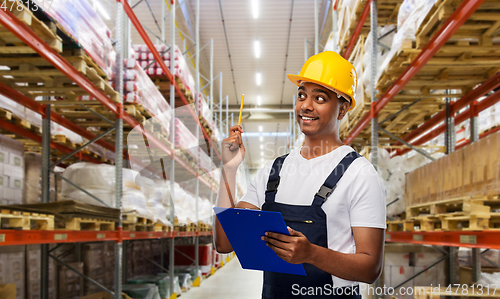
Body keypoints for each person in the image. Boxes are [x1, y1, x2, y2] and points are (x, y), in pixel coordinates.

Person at [214, 51, 386, 299]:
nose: (306, 105)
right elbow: (224, 243)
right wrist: (228, 170)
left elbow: (371, 268)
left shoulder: (359, 174)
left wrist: (311, 254)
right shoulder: (273, 171)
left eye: (320, 98)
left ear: (343, 109)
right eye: (302, 95)